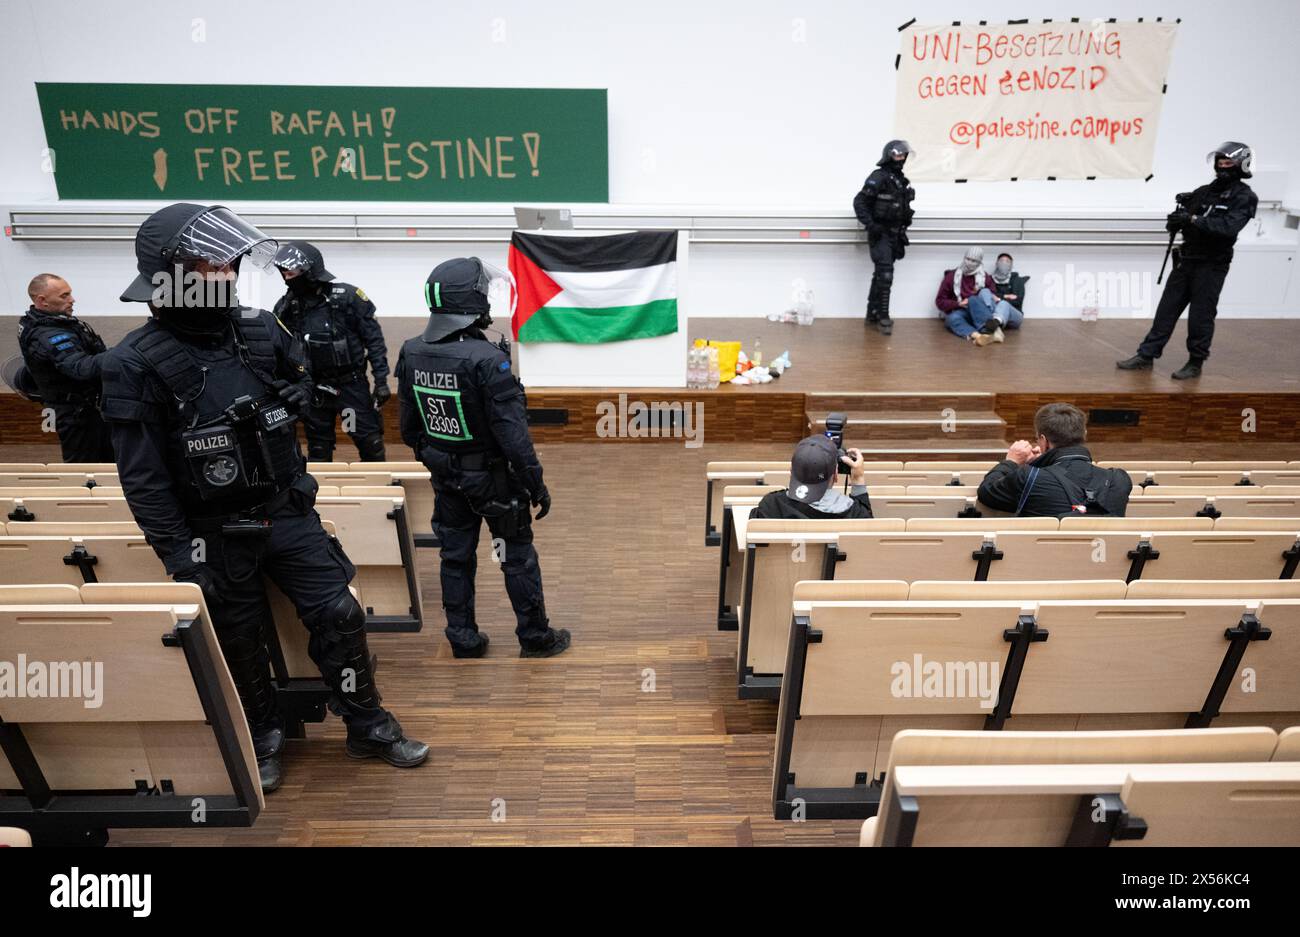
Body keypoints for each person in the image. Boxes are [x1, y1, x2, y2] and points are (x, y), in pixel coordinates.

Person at [99, 203, 427, 792]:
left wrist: (291, 403)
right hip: (210, 530)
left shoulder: (257, 327)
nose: (228, 273)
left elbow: (297, 382)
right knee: (239, 636)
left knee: (340, 612)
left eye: (230, 264)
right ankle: (263, 735)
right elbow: (142, 476)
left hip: (284, 509)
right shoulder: (133, 363)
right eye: (213, 265)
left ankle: (366, 724)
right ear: (172, 276)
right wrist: (179, 554)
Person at [396, 256, 570, 659]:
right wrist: (536, 484)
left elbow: (409, 429)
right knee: (516, 558)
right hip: (494, 481)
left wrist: (440, 460)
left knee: (455, 558)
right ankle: (535, 637)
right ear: (471, 300)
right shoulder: (489, 360)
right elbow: (513, 437)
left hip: (446, 478)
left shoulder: (411, 351)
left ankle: (463, 639)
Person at [1117, 142, 1259, 380]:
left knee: (1200, 316)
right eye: (1220, 163)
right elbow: (1184, 220)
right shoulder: (1203, 191)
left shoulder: (1245, 197)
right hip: (1186, 259)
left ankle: (1195, 362)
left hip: (1212, 264)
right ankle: (1146, 355)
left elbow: (1228, 228)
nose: (1223, 167)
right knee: (1166, 311)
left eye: (1228, 163)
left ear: (1240, 165)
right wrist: (1175, 220)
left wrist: (1193, 219)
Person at [271, 241, 390, 461]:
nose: (288, 279)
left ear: (310, 271)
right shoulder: (287, 306)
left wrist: (381, 381)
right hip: (314, 389)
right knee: (318, 447)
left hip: (349, 388)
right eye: (284, 274)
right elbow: (281, 349)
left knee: (368, 441)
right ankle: (318, 494)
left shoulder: (347, 298)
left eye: (292, 273)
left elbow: (374, 341)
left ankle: (383, 486)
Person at [16, 273, 114, 462]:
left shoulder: (47, 321)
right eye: (64, 296)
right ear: (42, 300)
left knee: (107, 462)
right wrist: (120, 355)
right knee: (85, 470)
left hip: (86, 411)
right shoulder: (48, 335)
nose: (72, 300)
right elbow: (80, 368)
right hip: (75, 415)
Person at [977, 403, 1132, 517]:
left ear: (1044, 441)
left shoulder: (1029, 477)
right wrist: (1041, 463)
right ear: (1084, 433)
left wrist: (1011, 462)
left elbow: (986, 493)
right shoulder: (1118, 480)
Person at [853, 139, 915, 335]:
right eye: (898, 154)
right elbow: (859, 201)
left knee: (881, 274)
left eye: (904, 155)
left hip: (895, 235)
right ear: (889, 155)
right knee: (886, 274)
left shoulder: (900, 180)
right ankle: (883, 316)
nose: (902, 158)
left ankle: (872, 313)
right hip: (881, 234)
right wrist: (872, 225)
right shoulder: (879, 177)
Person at [750, 435, 873, 519]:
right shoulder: (855, 513)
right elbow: (867, 535)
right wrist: (858, 478)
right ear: (835, 475)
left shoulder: (770, 506)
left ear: (791, 471)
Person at [934, 247, 1019, 346]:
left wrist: (978, 297)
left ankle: (990, 329)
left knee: (974, 299)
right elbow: (940, 301)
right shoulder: (951, 277)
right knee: (951, 319)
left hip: (982, 312)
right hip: (963, 310)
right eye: (967, 258)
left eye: (973, 260)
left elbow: (992, 298)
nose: (969, 262)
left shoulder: (985, 277)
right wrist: (958, 304)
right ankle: (979, 336)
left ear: (979, 262)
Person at [989, 252, 1027, 330]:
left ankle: (995, 323)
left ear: (1011, 265)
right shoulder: (990, 279)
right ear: (997, 263)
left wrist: (999, 298)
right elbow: (989, 295)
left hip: (1015, 316)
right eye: (1001, 261)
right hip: (993, 313)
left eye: (1007, 261)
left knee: (1003, 304)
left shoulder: (1017, 280)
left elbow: (1018, 301)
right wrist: (1006, 296)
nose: (1004, 263)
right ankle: (995, 327)